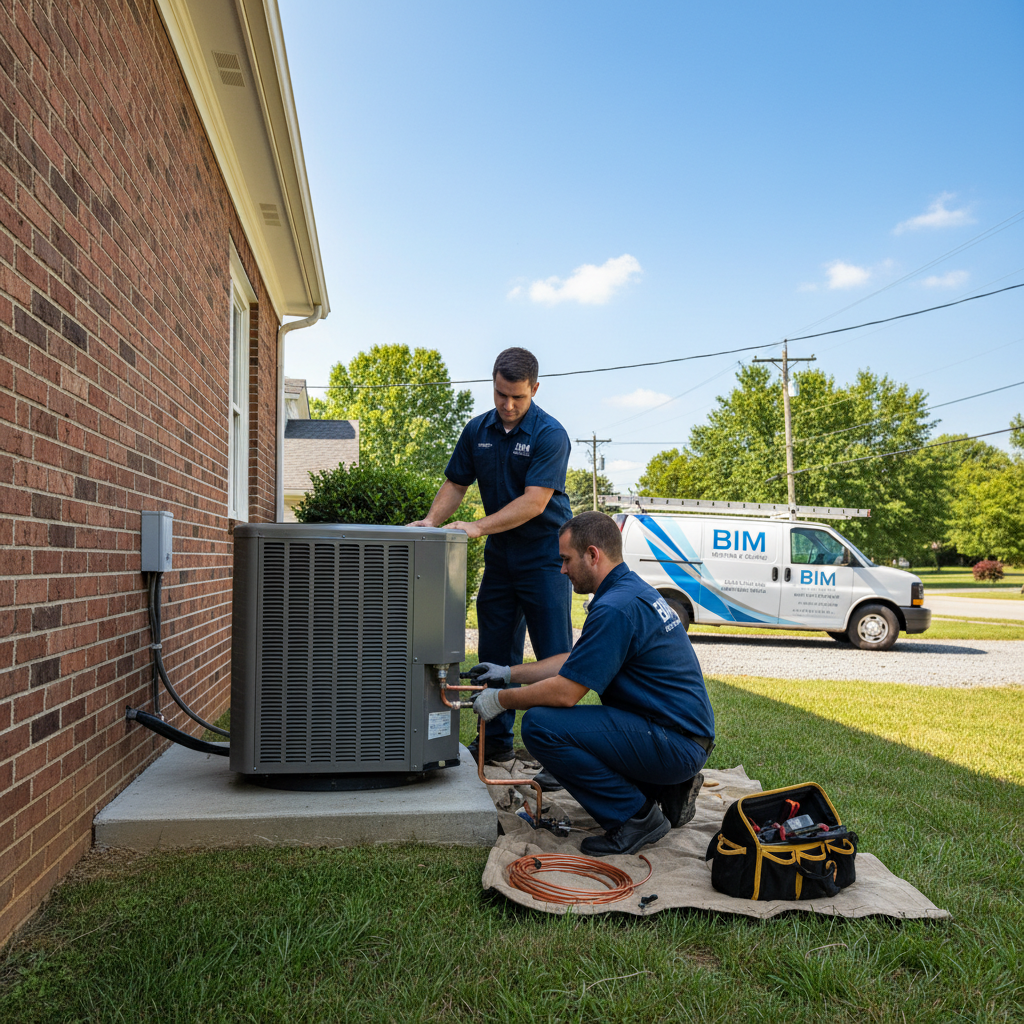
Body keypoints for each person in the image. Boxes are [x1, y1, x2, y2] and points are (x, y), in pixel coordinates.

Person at [469, 511, 715, 857]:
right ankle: (660, 791)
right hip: (677, 734)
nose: (562, 570)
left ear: (593, 554)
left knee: (542, 726)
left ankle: (637, 817)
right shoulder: (628, 591)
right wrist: (508, 672)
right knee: (570, 726)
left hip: (674, 743)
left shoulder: (616, 607)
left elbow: (566, 692)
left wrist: (502, 700)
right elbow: (575, 660)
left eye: (566, 559)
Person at [409, 347, 573, 762]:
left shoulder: (550, 434)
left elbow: (535, 502)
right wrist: (431, 520)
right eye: (501, 394)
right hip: (502, 558)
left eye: (518, 396)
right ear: (493, 385)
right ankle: (495, 744)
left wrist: (478, 526)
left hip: (545, 557)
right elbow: (456, 483)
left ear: (535, 389)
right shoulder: (477, 430)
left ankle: (555, 753)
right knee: (494, 653)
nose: (508, 404)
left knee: (555, 653)